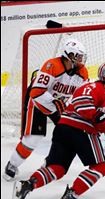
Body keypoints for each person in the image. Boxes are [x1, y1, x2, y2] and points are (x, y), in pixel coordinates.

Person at [11, 62, 105, 199]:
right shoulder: (93, 87)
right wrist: (97, 118)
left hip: (64, 129)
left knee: (57, 168)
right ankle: (72, 194)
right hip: (80, 130)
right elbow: (82, 103)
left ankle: (27, 185)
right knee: (100, 166)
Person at [3, 38, 90, 181]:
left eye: (82, 57)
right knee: (33, 139)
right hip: (39, 102)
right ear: (69, 55)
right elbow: (36, 92)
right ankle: (12, 165)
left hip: (59, 105)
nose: (81, 60)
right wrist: (54, 103)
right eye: (78, 56)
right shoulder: (52, 66)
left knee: (69, 135)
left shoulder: (82, 72)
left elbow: (81, 95)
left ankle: (49, 163)